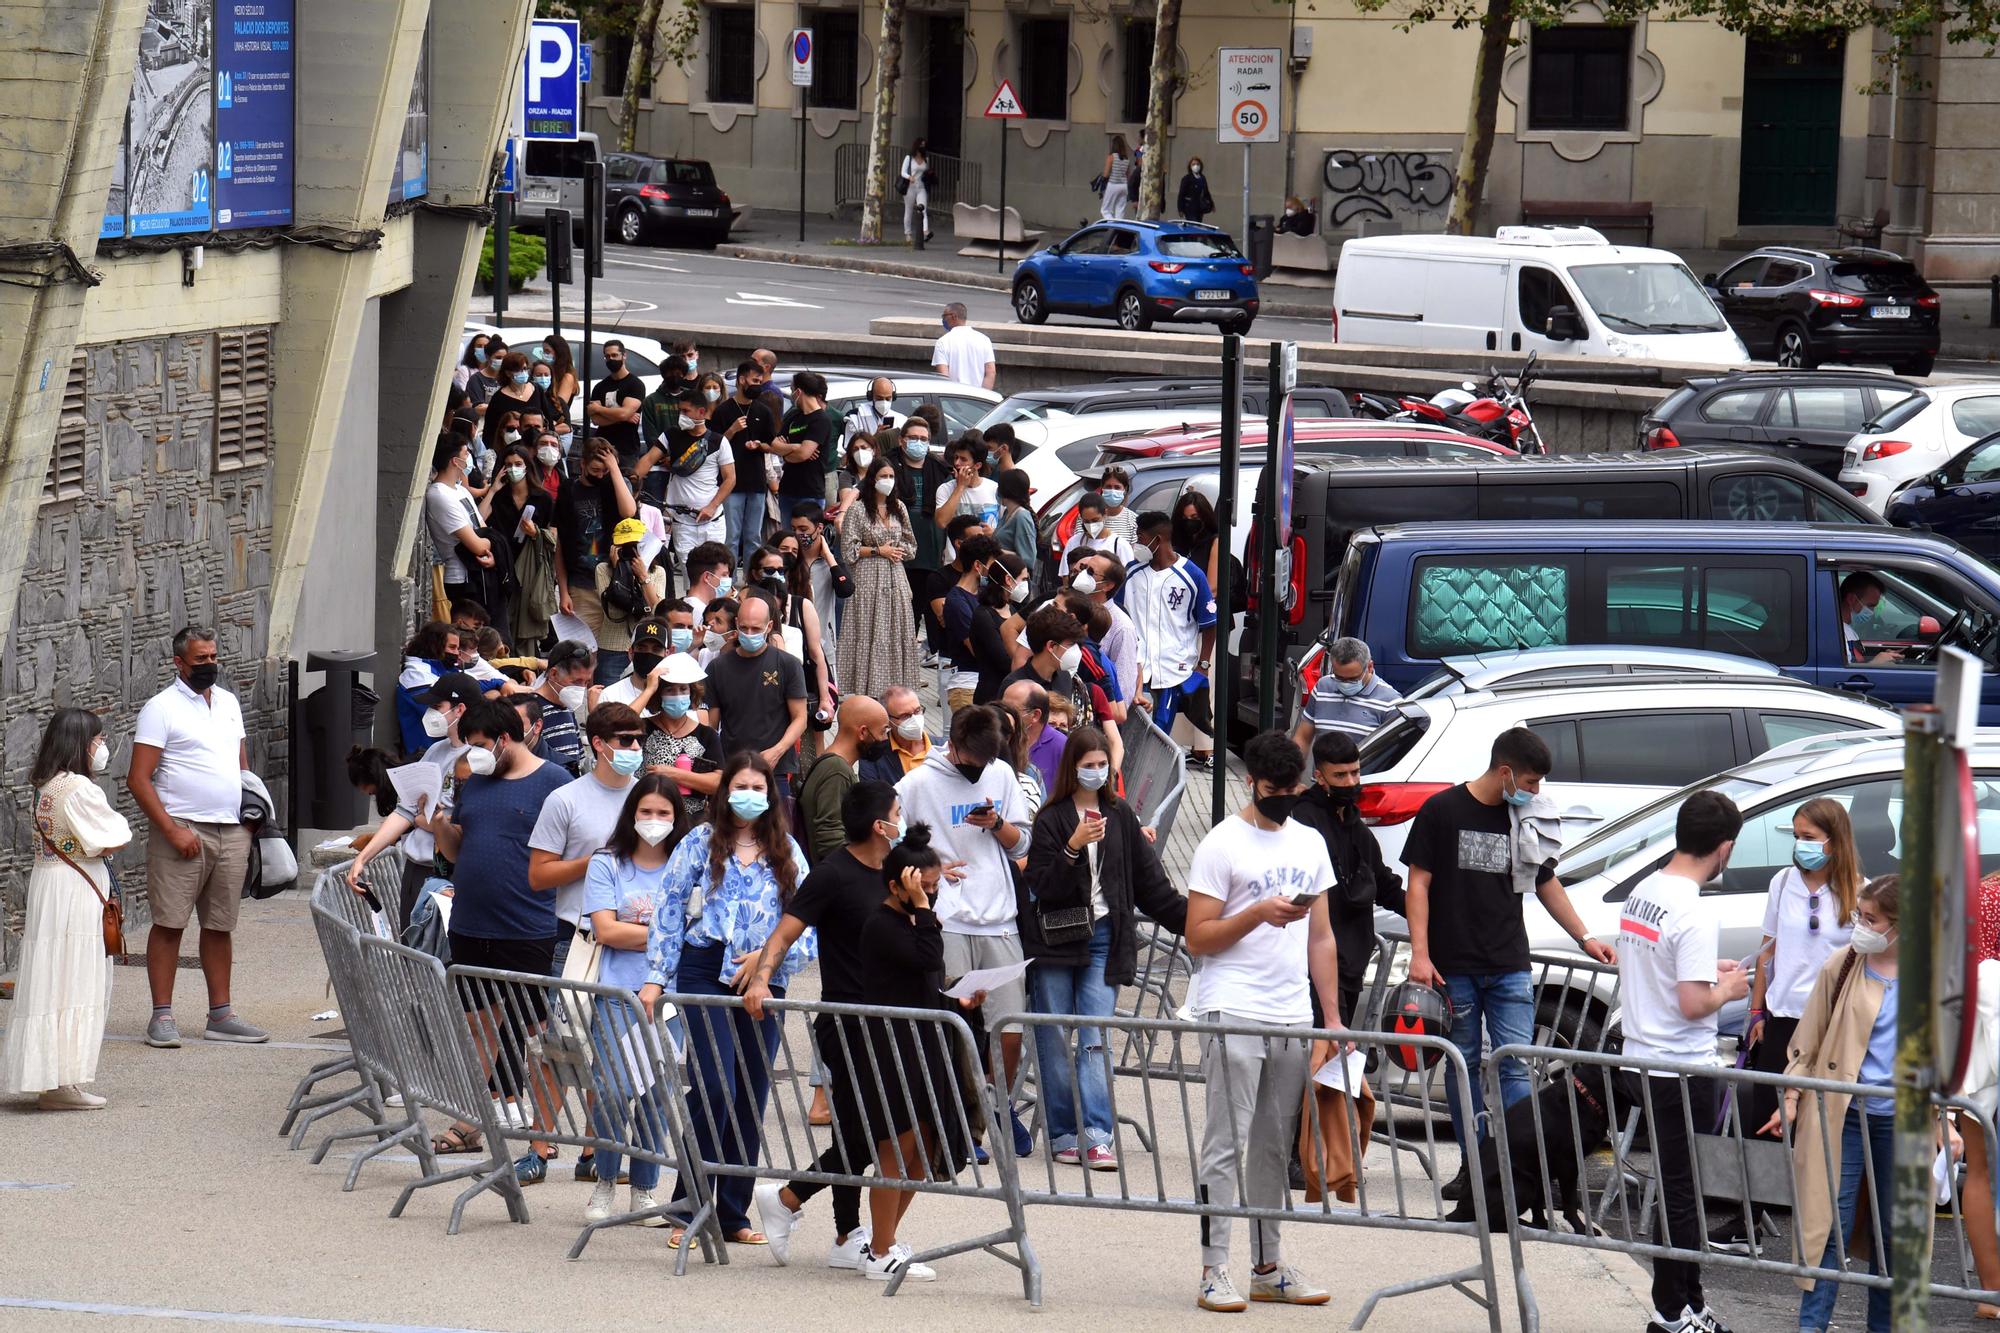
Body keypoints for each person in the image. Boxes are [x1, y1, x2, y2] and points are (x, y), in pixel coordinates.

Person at [1402, 728, 1615, 1199]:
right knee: (1463, 1066)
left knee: (1517, 1067)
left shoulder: (1526, 817)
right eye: (1532, 781)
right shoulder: (1443, 810)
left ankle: (1526, 1167)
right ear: (1505, 772)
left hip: (1509, 964)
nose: (1536, 792)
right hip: (1451, 966)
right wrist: (1420, 952)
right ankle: (1476, 1165)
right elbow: (1417, 883)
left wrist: (1584, 938)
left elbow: (1545, 881)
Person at [1183, 731, 1341, 1313]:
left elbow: (1320, 937)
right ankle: (1213, 1268)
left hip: (1291, 1011)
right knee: (1224, 1141)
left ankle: (1268, 1265)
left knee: (1275, 1146)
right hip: (1233, 1004)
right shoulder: (1221, 843)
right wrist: (1254, 915)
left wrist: (1331, 1020)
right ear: (1254, 782)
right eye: (1275, 790)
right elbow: (1197, 936)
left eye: (1293, 788)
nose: (1284, 798)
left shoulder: (1310, 841)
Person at [637, 751, 814, 1245]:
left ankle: (734, 1213)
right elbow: (669, 910)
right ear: (723, 790)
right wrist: (656, 976)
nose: (750, 796)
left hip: (764, 977)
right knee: (716, 1086)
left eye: (760, 788)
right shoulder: (697, 842)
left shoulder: (789, 852)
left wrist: (768, 959)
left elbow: (808, 927)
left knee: (751, 1093)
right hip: (703, 968)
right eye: (741, 786)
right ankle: (688, 1205)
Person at [745, 781, 905, 1271]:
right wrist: (762, 979)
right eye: (897, 812)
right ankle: (801, 1206)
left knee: (863, 1131)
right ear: (881, 825)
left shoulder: (898, 872)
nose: (903, 818)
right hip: (848, 1022)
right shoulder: (834, 873)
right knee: (868, 1134)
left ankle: (836, 1231)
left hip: (895, 1020)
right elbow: (787, 930)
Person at [1022, 725, 1187, 1167]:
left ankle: (1097, 1133)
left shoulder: (1121, 817)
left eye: (1101, 765)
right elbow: (1041, 884)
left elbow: (1152, 886)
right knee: (1054, 1036)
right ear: (1071, 769)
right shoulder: (1052, 819)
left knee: (1093, 1038)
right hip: (1055, 941)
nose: (1096, 773)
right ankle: (1061, 1134)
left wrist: (1199, 924)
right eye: (1087, 766)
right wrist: (1073, 848)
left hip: (1103, 939)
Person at [1616, 790, 1748, 1333]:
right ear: (1724, 848)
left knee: (1677, 1188)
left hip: (1643, 1057)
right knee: (1681, 1194)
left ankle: (1687, 1304)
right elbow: (1695, 1002)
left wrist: (1703, 972)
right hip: (1679, 1066)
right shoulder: (1693, 911)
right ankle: (1673, 1313)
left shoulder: (1645, 889)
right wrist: (1731, 989)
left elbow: (1662, 970)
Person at [427, 698, 573, 1177]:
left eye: (480, 745)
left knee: (537, 1036)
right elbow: (457, 848)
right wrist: (439, 827)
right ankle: (470, 1119)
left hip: (528, 927)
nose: (473, 754)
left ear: (505, 739)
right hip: (471, 922)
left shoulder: (554, 782)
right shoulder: (475, 782)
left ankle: (542, 1137)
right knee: (477, 1027)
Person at [1717, 797, 1862, 1246]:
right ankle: (1748, 1222)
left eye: (1810, 839)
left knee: (1825, 1124)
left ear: (1834, 842)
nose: (1800, 847)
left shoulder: (1859, 891)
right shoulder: (1783, 883)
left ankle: (1826, 1227)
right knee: (1765, 1118)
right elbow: (1767, 951)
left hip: (1832, 1025)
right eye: (1796, 837)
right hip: (1781, 1018)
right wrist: (1757, 1010)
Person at [849, 822, 987, 1282]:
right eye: (924, 887)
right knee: (897, 1148)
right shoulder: (881, 924)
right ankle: (881, 1250)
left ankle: (881, 1240)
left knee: (925, 1150)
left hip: (924, 1047)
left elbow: (926, 980)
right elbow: (927, 959)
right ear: (897, 886)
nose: (932, 894)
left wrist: (958, 999)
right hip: (892, 1051)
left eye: (934, 885)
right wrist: (926, 911)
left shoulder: (914, 921)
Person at [895, 704, 1034, 1156]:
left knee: (1009, 1026)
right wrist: (930, 867)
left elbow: (1023, 844)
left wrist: (997, 825)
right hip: (947, 917)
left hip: (998, 917)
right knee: (956, 1025)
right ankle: (957, 1116)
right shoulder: (918, 783)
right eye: (972, 764)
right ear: (952, 746)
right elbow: (889, 840)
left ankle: (997, 1106)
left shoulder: (1002, 775)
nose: (980, 772)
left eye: (986, 764)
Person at [128, 628, 262, 1050]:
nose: (209, 665)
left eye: (213, 657)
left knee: (220, 924)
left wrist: (251, 814)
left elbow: (240, 765)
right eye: (200, 659)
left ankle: (221, 1014)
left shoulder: (228, 703)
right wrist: (171, 829)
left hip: (231, 827)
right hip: (182, 827)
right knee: (169, 923)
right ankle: (162, 1016)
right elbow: (138, 778)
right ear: (179, 663)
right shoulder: (160, 708)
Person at [1, 709, 133, 1109]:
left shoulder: (46, 786)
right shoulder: (78, 788)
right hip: (76, 889)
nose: (102, 747)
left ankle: (50, 1078)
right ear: (80, 743)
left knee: (50, 978)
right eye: (97, 740)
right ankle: (64, 1082)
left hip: (49, 883)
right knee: (76, 978)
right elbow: (111, 836)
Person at [578, 773, 688, 1225]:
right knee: (610, 1091)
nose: (654, 820)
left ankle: (644, 1189)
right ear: (632, 814)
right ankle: (605, 1180)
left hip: (672, 1000)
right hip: (616, 994)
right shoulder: (607, 863)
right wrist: (666, 936)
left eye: (664, 813)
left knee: (655, 1095)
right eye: (646, 811)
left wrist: (644, 937)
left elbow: (695, 933)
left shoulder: (687, 863)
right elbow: (606, 930)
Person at [1291, 732, 1406, 1025]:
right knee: (1328, 1061)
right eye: (1340, 775)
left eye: (1355, 772)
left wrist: (1430, 913)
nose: (1351, 782)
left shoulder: (1357, 828)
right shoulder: (1304, 821)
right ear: (1319, 776)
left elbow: (1384, 885)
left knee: (1334, 1061)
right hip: (1314, 965)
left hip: (1352, 964)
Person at [529, 702, 646, 973]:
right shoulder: (565, 799)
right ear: (599, 743)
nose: (636, 748)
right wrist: (598, 860)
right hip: (579, 937)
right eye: (626, 740)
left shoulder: (650, 797)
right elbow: (538, 876)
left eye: (640, 740)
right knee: (572, 1017)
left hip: (639, 935)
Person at [705, 593, 809, 800]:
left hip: (774, 768)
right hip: (732, 767)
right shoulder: (718, 667)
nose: (749, 634)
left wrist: (777, 751)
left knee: (776, 830)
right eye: (744, 628)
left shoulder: (788, 665)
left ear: (769, 626)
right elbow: (711, 725)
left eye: (756, 629)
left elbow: (800, 718)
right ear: (736, 624)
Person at [553, 438, 640, 684]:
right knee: (583, 654)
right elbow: (561, 544)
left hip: (615, 581)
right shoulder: (569, 490)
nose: (600, 475)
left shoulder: (614, 484)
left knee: (613, 653)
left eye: (605, 470)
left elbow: (628, 511)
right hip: (581, 581)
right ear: (582, 464)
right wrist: (563, 590)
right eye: (595, 470)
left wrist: (614, 470)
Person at [1124, 510, 1217, 734]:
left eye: (1141, 539)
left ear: (1158, 540)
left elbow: (1209, 623)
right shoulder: (1131, 573)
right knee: (1132, 736)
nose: (1137, 544)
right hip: (1136, 670)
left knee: (1159, 737)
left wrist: (1203, 666)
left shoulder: (1191, 575)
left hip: (1172, 672)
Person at [839, 455, 923, 702]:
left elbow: (911, 545)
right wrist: (878, 550)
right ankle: (867, 694)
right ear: (872, 479)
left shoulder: (900, 508)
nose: (887, 481)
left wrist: (896, 551)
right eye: (882, 476)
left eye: (890, 476)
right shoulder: (858, 508)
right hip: (867, 578)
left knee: (896, 631)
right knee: (867, 632)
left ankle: (896, 693)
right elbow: (848, 550)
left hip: (895, 577)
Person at [638, 372, 735, 553]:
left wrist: (711, 506)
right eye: (679, 411)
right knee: (687, 570)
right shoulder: (671, 435)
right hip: (682, 522)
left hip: (712, 521)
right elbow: (649, 459)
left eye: (685, 411)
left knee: (716, 569)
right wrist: (631, 482)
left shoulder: (719, 441)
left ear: (701, 412)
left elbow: (730, 479)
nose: (681, 415)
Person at [797, 695, 892, 865]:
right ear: (863, 732)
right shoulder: (836, 770)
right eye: (883, 731)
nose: (885, 739)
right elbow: (830, 839)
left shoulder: (833, 762)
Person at [638, 651, 722, 824]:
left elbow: (718, 782)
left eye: (683, 689)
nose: (677, 695)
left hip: (692, 821)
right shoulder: (641, 728)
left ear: (691, 693)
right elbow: (618, 726)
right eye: (670, 689)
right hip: (648, 818)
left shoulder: (707, 735)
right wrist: (649, 690)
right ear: (659, 694)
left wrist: (673, 774)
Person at [424, 432, 496, 619]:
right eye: (465, 453)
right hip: (462, 579)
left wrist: (489, 542)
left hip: (479, 573)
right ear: (455, 461)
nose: (469, 457)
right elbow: (478, 544)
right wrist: (492, 542)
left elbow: (481, 527)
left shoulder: (461, 490)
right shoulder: (439, 494)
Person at [1290, 636, 1400, 755]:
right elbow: (1303, 738)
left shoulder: (1391, 703)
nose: (1345, 684)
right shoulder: (1322, 687)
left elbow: (1394, 753)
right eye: (1339, 678)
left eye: (1353, 679)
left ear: (1369, 667)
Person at [593, 522, 670, 689]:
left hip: (646, 647)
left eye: (633, 546)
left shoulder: (657, 573)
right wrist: (619, 571)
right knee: (607, 706)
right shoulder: (603, 570)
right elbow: (614, 610)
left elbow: (658, 611)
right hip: (613, 646)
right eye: (624, 546)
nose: (629, 551)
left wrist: (643, 577)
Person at [529, 639, 595, 775]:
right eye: (576, 681)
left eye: (586, 682)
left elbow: (578, 761)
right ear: (553, 674)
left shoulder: (566, 705)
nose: (582, 688)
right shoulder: (531, 710)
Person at [772, 371, 837, 508]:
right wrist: (795, 447)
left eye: (792, 390)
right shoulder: (793, 416)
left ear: (799, 392)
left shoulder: (821, 419)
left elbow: (803, 454)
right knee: (787, 530)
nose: (791, 394)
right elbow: (775, 444)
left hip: (810, 491)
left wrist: (787, 451)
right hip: (787, 490)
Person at [1002, 680, 1067, 796]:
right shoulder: (998, 740)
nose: (1004, 715)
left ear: (1035, 715)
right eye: (1001, 708)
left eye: (1011, 710)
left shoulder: (1063, 746)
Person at [586, 338, 646, 466]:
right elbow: (596, 420)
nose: (611, 359)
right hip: (603, 447)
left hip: (627, 449)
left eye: (614, 355)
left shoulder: (635, 385)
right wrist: (622, 417)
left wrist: (599, 409)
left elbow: (624, 413)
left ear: (624, 356)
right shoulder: (600, 386)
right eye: (607, 356)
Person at [483, 351, 552, 453]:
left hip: (537, 445)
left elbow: (548, 418)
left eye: (524, 369)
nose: (523, 373)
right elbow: (490, 430)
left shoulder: (537, 389)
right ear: (507, 373)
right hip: (511, 449)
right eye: (518, 370)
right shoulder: (499, 398)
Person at [865, 685, 934, 784]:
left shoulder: (945, 748)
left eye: (917, 711)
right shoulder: (874, 756)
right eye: (905, 716)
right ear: (887, 720)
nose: (915, 719)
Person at [1058, 491, 1136, 576]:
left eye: (1095, 520)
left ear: (1105, 514)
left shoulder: (1120, 545)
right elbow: (1065, 575)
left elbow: (1128, 578)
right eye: (1087, 521)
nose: (1091, 525)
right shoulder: (1074, 542)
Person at [1837, 571, 1901, 665]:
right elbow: (1842, 676)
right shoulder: (1836, 636)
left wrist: (1883, 658)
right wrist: (1874, 664)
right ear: (1852, 599)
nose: (1872, 612)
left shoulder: (1848, 631)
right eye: (1870, 606)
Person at [932, 303, 997, 390]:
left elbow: (944, 377)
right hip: (979, 398)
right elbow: (991, 372)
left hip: (954, 398)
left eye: (944, 316)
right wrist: (984, 395)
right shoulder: (984, 340)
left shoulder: (942, 342)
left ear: (954, 316)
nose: (943, 320)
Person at [993, 468, 1038, 580]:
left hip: (1015, 580)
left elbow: (1028, 558)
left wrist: (995, 551)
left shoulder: (1021, 517)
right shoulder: (1007, 513)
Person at [843, 378, 904, 452]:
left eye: (888, 398)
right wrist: (875, 438)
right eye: (879, 398)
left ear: (893, 397)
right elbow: (850, 450)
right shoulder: (856, 417)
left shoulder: (902, 419)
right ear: (871, 396)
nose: (884, 402)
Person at [900, 139, 934, 244]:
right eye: (921, 145)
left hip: (921, 187)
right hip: (910, 187)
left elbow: (926, 171)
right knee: (909, 210)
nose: (923, 147)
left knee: (923, 208)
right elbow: (903, 172)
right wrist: (909, 177)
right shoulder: (909, 158)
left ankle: (925, 231)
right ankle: (908, 233)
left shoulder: (926, 158)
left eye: (924, 145)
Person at [1097, 467, 1138, 544]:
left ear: (1125, 489)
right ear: (1102, 488)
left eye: (1117, 487)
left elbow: (1132, 553)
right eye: (1108, 487)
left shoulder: (1133, 520)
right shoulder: (1089, 517)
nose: (1112, 491)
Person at [1101, 134, 1132, 221]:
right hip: (1124, 186)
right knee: (1120, 211)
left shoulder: (1111, 157)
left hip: (1113, 185)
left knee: (1105, 210)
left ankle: (1111, 225)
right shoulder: (1127, 159)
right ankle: (1118, 228)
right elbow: (1128, 175)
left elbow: (1106, 174)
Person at [1177, 157, 1213, 222]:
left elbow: (1206, 192)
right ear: (1190, 166)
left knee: (1198, 223)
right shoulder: (1187, 178)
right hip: (1189, 207)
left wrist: (1211, 204)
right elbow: (1181, 195)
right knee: (1193, 223)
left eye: (1197, 164)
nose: (1196, 166)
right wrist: (1180, 209)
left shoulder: (1202, 178)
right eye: (1193, 164)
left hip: (1199, 208)